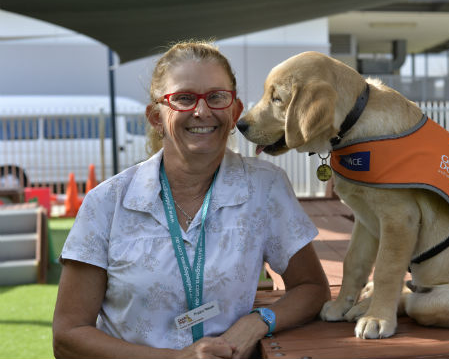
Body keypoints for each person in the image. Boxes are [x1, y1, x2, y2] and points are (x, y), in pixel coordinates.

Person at [52, 41, 331, 359]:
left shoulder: (264, 188)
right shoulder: (106, 203)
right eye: (184, 98)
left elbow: (312, 288)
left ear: (235, 111)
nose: (202, 111)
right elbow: (68, 336)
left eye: (216, 97)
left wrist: (258, 322)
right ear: (157, 117)